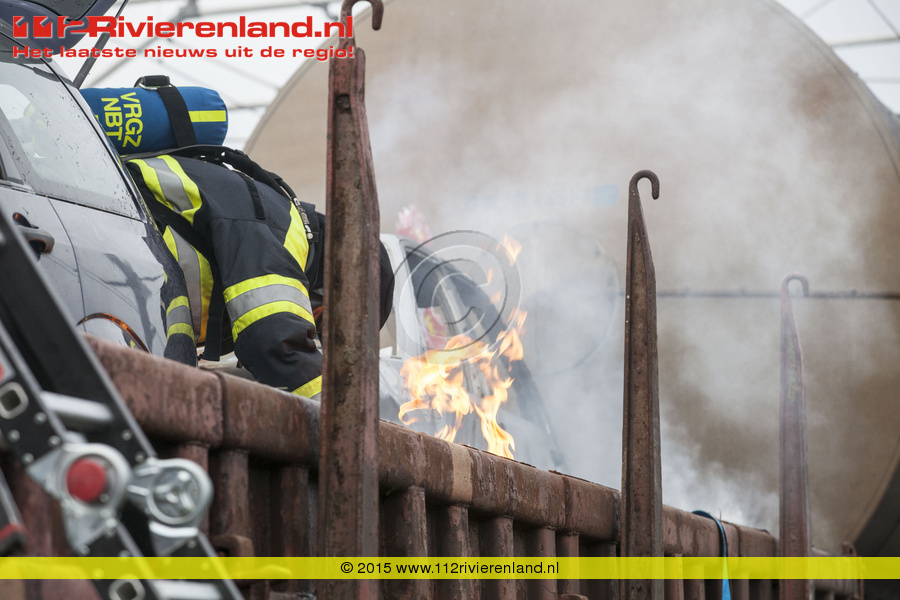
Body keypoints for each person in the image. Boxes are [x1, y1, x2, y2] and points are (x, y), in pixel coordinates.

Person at [126, 147, 394, 400]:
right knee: (174, 391)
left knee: (176, 385)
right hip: (125, 236)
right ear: (333, 288)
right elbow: (274, 341)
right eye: (321, 321)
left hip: (128, 256)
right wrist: (340, 419)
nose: (313, 324)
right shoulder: (280, 232)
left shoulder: (277, 220)